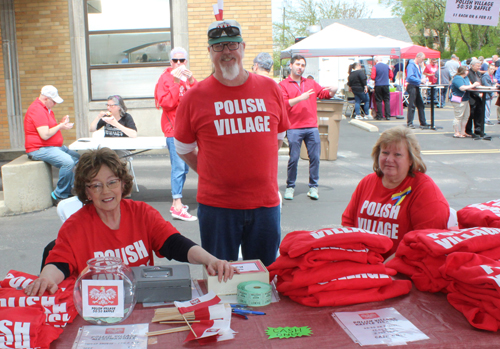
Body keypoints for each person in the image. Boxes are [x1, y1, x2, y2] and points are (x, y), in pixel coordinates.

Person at [25, 148, 236, 296]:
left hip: (140, 299)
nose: (105, 191)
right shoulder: (75, 227)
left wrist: (210, 260)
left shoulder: (141, 213)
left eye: (112, 182)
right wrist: (45, 278)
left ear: (123, 183)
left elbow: (174, 243)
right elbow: (58, 263)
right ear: (86, 191)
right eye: (96, 185)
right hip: (98, 305)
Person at [173, 19, 290, 266]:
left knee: (263, 278)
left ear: (243, 48)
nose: (226, 52)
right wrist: (210, 172)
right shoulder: (195, 96)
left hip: (265, 205)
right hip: (217, 208)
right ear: (209, 52)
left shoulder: (270, 88)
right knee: (221, 282)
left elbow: (278, 138)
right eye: (218, 46)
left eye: (232, 45)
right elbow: (182, 147)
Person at [341, 126, 450, 260]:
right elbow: (348, 222)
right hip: (362, 263)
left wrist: (384, 268)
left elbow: (424, 243)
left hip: (401, 268)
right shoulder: (367, 182)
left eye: (397, 154)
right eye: (385, 153)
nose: (389, 159)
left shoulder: (424, 190)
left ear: (411, 159)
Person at [279, 55, 337, 200]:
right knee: (293, 158)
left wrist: (334, 90)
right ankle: (290, 187)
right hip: (294, 127)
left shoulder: (310, 83)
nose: (300, 67)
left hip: (311, 126)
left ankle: (313, 187)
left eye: (303, 65)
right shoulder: (283, 85)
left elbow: (324, 94)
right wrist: (301, 98)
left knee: (315, 158)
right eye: (298, 64)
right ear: (291, 65)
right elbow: (284, 104)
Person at [154, 47, 198, 222]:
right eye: (175, 61)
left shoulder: (186, 78)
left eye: (182, 60)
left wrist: (192, 79)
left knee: (185, 166)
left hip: (188, 129)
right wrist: (174, 82)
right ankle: (177, 205)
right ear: (170, 62)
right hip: (174, 129)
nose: (179, 64)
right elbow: (165, 103)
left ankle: (177, 202)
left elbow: (200, 95)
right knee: (179, 167)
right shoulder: (165, 78)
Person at [24, 85, 80, 206]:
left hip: (51, 147)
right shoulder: (37, 110)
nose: (55, 104)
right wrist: (60, 126)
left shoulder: (46, 109)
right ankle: (59, 194)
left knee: (77, 158)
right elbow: (44, 134)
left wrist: (61, 124)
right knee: (68, 162)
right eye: (53, 101)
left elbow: (49, 129)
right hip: (38, 149)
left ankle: (70, 187)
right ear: (45, 99)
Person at [450, 66, 480, 138]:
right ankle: (456, 132)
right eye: (466, 70)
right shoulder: (457, 78)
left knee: (466, 116)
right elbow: (462, 88)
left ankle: (463, 132)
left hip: (466, 99)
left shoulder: (465, 78)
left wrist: (473, 85)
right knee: (458, 116)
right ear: (463, 71)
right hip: (459, 99)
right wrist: (473, 85)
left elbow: (469, 85)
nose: (468, 71)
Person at [406, 53, 428, 129]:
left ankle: (423, 122)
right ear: (418, 57)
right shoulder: (411, 65)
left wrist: (422, 81)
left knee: (421, 105)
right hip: (412, 86)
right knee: (412, 105)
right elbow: (409, 77)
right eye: (422, 59)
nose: (423, 61)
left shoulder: (417, 65)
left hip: (416, 86)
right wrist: (420, 80)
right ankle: (409, 122)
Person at [466, 59, 484, 137]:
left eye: (480, 66)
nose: (479, 67)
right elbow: (470, 86)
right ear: (472, 65)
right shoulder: (469, 73)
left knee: (479, 113)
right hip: (471, 96)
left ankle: (478, 129)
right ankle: (468, 130)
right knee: (471, 114)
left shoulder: (479, 73)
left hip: (479, 96)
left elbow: (481, 83)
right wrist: (477, 94)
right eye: (478, 66)